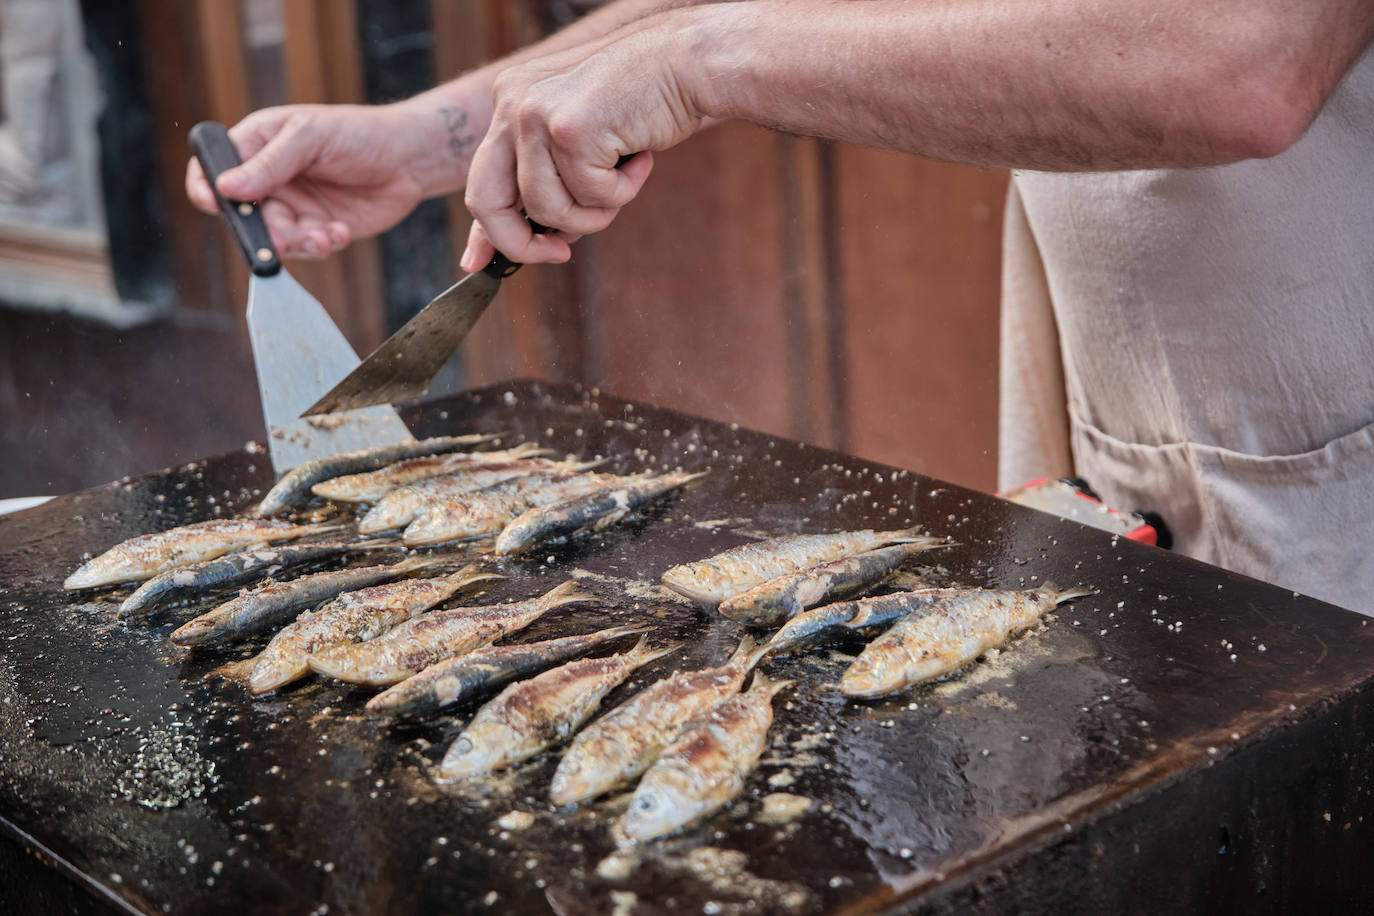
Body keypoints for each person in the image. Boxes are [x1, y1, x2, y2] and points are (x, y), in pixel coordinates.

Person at [187, 1, 1374, 613]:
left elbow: (1247, 53)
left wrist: (699, 62)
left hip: (1326, 428)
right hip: (1138, 399)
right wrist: (430, 139)